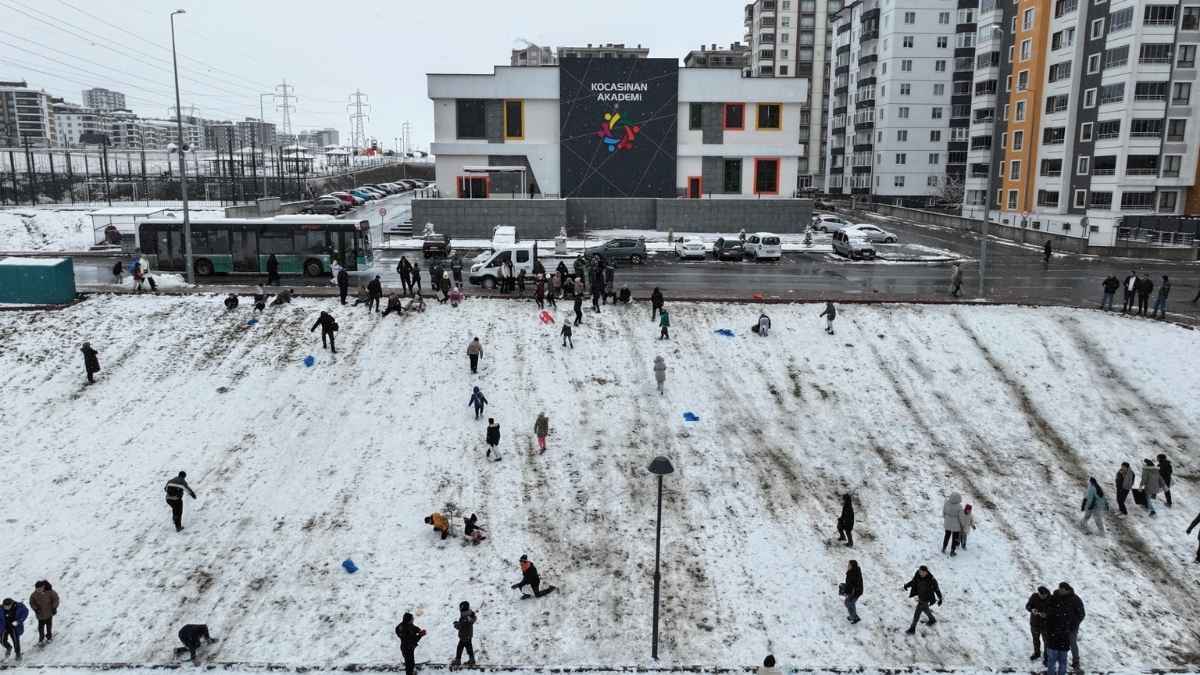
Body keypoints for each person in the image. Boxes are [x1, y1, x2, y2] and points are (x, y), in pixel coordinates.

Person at [902, 565, 942, 634]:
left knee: (917, 613)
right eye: (920, 572)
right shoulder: (918, 575)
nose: (921, 573)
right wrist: (907, 585)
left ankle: (912, 628)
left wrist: (940, 598)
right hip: (921, 595)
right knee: (926, 609)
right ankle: (932, 620)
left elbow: (937, 590)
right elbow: (913, 582)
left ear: (926, 572)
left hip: (926, 598)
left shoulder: (932, 580)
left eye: (923, 572)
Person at [1055, 582, 1085, 670]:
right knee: (1058, 643)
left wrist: (1073, 624)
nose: (1059, 591)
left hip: (1072, 627)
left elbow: (1081, 614)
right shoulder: (1057, 597)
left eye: (1061, 589)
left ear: (1066, 590)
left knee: (1072, 643)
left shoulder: (1075, 599)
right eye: (1059, 589)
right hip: (1060, 625)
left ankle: (1076, 662)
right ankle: (1059, 660)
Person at [1025, 586, 1051, 661]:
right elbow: (1027, 606)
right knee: (1035, 639)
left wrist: (1046, 614)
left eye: (1043, 595)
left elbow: (1054, 611)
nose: (1042, 596)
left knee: (1046, 641)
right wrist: (1032, 609)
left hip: (1046, 625)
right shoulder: (1034, 596)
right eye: (1040, 594)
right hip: (1034, 623)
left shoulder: (1051, 599)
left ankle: (1047, 656)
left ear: (1046, 594)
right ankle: (1037, 653)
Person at [452, 601, 477, 667]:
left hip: (464, 635)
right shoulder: (470, 615)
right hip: (468, 635)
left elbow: (460, 626)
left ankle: (458, 660)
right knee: (468, 647)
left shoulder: (465, 617)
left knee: (460, 647)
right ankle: (471, 660)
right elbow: (472, 619)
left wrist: (456, 624)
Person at [842, 560, 863, 624]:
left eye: (849, 565)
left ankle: (854, 617)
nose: (848, 566)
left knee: (848, 603)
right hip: (856, 591)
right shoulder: (854, 571)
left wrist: (845, 592)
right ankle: (853, 616)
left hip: (855, 592)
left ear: (852, 566)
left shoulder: (852, 574)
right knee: (849, 603)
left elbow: (850, 586)